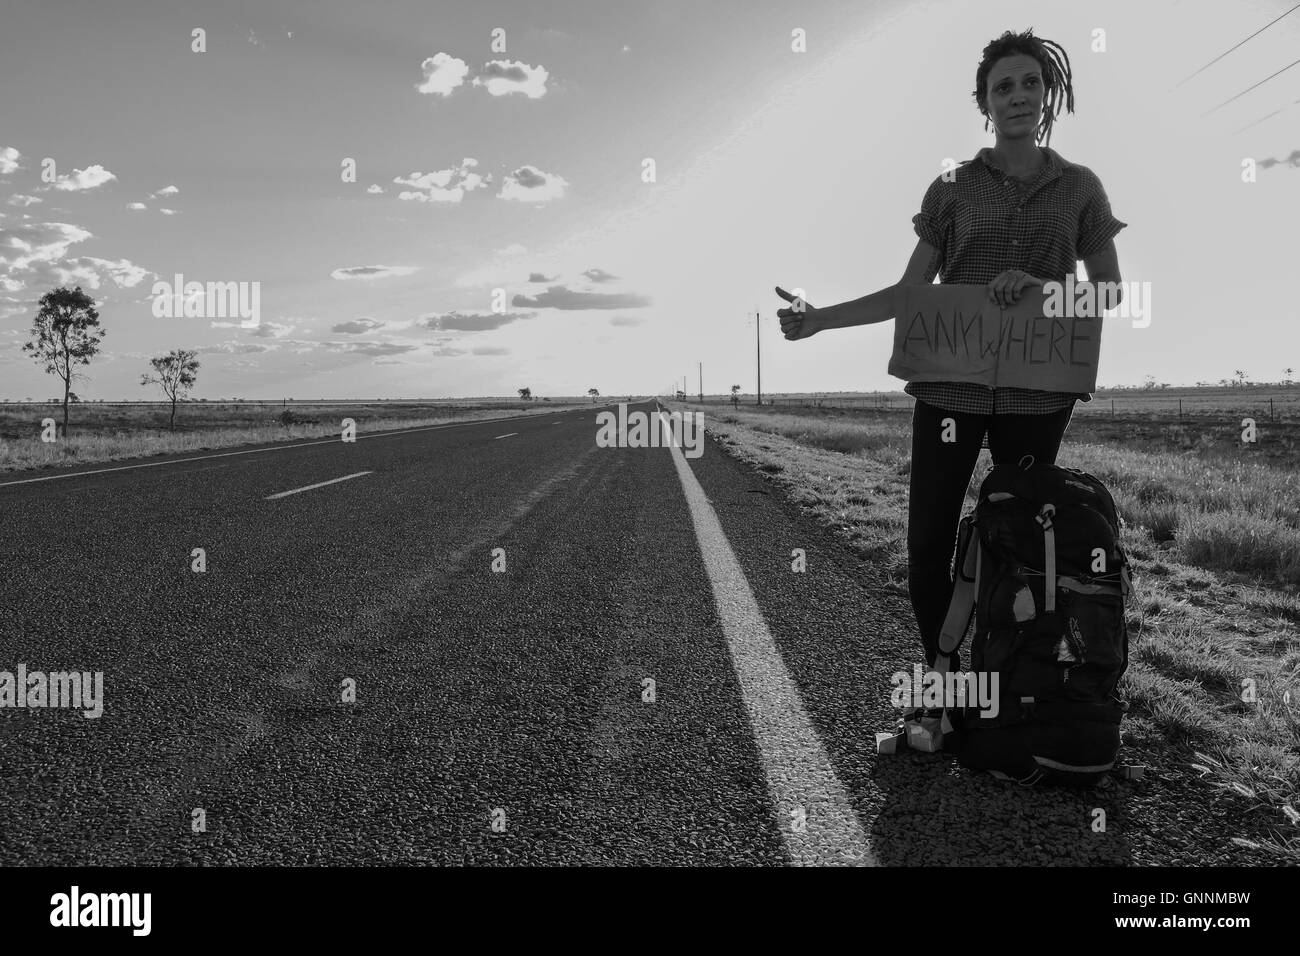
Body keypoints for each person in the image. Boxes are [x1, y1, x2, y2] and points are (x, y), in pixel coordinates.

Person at [776, 28, 1127, 672]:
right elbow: (912, 292)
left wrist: (1045, 291)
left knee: (1019, 530)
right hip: (948, 390)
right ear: (984, 103)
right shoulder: (953, 187)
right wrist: (820, 318)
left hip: (1036, 391)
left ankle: (1013, 677)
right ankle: (941, 673)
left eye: (1030, 83)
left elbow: (1106, 294)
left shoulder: (1080, 188)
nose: (1017, 95)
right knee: (930, 535)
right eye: (1003, 86)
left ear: (1048, 95)